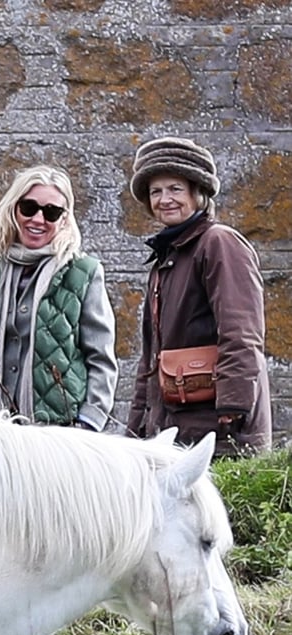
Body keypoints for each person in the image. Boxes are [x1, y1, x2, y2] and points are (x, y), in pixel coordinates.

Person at [126, 136, 272, 455]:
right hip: (176, 432)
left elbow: (242, 334)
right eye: (156, 191)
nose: (165, 199)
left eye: (175, 188)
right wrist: (136, 429)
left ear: (198, 192)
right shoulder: (166, 258)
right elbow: (151, 361)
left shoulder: (218, 243)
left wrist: (233, 412)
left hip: (218, 433)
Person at [0, 164, 118, 431]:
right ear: (14, 209)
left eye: (51, 212)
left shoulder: (83, 274)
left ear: (64, 219)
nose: (38, 219)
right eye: (29, 207)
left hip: (57, 433)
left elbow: (101, 358)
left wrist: (88, 422)